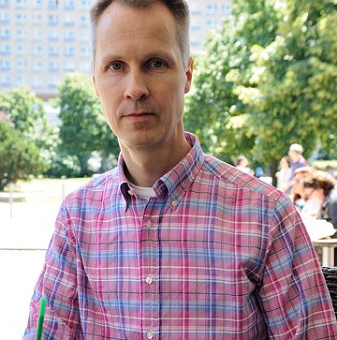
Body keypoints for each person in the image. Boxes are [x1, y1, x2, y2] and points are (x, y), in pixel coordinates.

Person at [24, 1, 337, 338]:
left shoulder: (267, 215)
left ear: (187, 75)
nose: (135, 88)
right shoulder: (76, 218)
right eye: (116, 66)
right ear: (96, 82)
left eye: (155, 63)